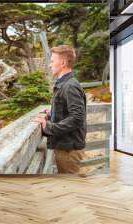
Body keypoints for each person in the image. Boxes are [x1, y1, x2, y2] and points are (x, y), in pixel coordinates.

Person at [33, 45, 87, 175]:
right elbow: (68, 111)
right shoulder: (65, 84)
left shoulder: (70, 86)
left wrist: (49, 127)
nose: (50, 65)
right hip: (66, 147)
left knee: (71, 189)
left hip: (69, 150)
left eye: (52, 61)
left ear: (62, 63)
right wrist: (52, 114)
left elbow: (77, 118)